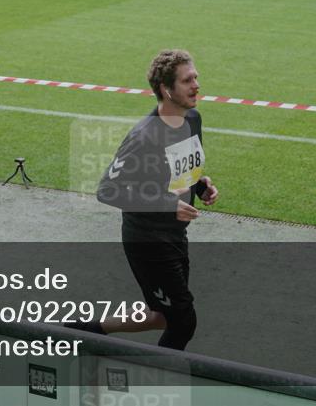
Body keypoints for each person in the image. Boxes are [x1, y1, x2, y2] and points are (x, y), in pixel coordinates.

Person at [80, 49, 218, 350]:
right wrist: (167, 204)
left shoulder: (193, 119)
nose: (196, 85)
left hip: (174, 234)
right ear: (166, 90)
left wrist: (201, 184)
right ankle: (156, 385)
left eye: (195, 77)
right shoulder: (144, 136)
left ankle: (83, 331)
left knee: (163, 315)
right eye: (187, 81)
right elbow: (107, 189)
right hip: (147, 240)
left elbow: (181, 169)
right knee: (183, 320)